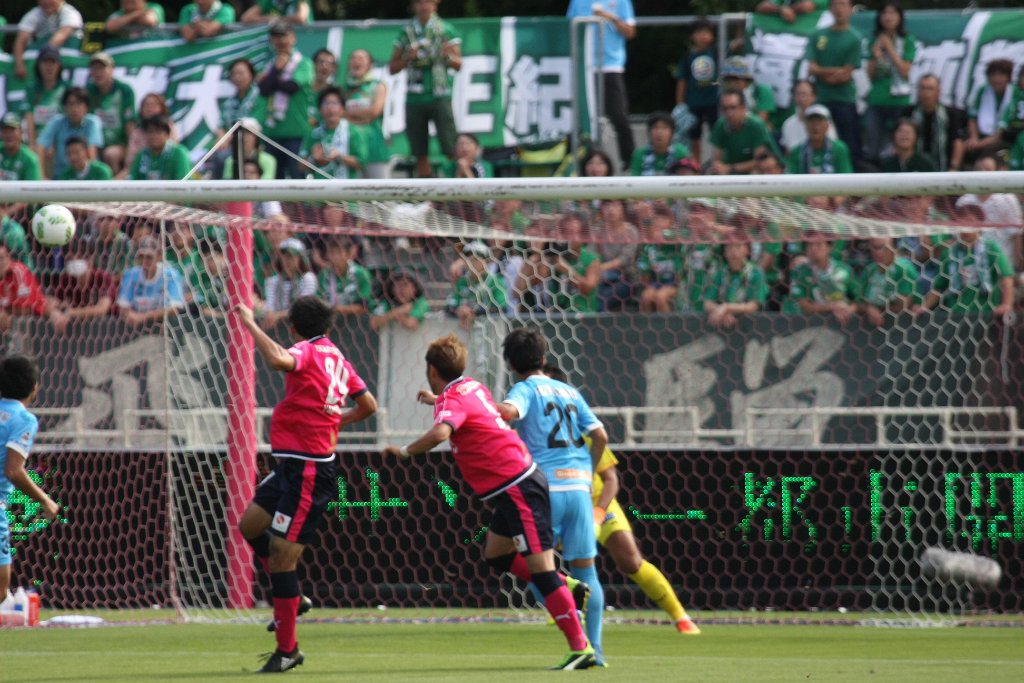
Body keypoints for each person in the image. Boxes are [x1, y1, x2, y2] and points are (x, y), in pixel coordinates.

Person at [383, 334, 597, 670]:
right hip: (514, 487)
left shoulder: (454, 399)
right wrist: (437, 400)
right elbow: (472, 410)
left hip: (519, 487)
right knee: (497, 555)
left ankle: (580, 647)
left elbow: (441, 433)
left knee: (542, 572)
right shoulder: (473, 387)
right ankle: (568, 586)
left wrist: (405, 452)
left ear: (432, 370)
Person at [235, 295, 377, 673]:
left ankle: (288, 651)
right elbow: (368, 405)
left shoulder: (307, 351)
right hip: (291, 466)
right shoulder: (339, 358)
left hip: (309, 470)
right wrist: (337, 420)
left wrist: (249, 323)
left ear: (293, 327)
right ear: (327, 326)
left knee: (282, 555)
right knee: (250, 526)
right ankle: (294, 600)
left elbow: (278, 360)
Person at [543, 362, 701, 635]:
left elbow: (611, 479)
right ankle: (565, 610)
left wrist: (599, 513)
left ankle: (680, 616)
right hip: (561, 503)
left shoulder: (582, 430)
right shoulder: (534, 433)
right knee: (538, 558)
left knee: (630, 561)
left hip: (597, 504)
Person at [494, 328, 609, 664]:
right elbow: (600, 436)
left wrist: (476, 407)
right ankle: (596, 650)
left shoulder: (525, 389)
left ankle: (575, 635)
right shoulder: (570, 391)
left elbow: (508, 412)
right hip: (579, 489)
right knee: (587, 571)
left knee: (538, 570)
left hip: (544, 490)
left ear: (510, 364)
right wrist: (588, 473)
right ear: (544, 358)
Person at [0, 355, 60, 610]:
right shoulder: (24, 419)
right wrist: (45, 500)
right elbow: (13, 471)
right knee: (1, 592)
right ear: (35, 387)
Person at [389, 0, 462, 178]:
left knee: (450, 145)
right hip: (415, 96)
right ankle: (425, 188)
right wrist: (408, 57)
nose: (423, 6)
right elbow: (392, 68)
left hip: (440, 94)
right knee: (419, 150)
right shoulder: (406, 32)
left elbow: (458, 64)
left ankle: (457, 184)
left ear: (435, 4)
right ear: (412, 5)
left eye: (427, 1)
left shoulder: (445, 29)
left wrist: (446, 55)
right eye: (419, 2)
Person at [567, 0, 636, 172]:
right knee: (582, 118)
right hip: (584, 66)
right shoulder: (577, 2)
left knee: (618, 115)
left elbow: (630, 32)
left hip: (610, 65)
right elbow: (567, 29)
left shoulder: (621, 2)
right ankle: (582, 164)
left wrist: (609, 17)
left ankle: (630, 162)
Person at [805, 0, 864, 166]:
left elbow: (846, 74)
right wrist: (834, 71)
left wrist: (822, 71)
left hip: (844, 99)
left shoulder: (854, 38)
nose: (839, 9)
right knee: (817, 141)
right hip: (820, 98)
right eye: (835, 4)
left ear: (850, 9)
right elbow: (812, 68)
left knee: (849, 145)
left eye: (843, 4)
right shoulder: (817, 35)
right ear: (830, 8)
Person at [258, 20, 314, 180]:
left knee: (297, 177)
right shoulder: (269, 64)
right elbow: (263, 90)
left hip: (297, 132)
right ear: (271, 40)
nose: (281, 40)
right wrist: (276, 70)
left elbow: (292, 87)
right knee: (273, 180)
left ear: (293, 37)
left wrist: (272, 77)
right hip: (271, 132)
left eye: (284, 35)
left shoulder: (304, 63)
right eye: (276, 36)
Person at [864, 1, 915, 165]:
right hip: (877, 99)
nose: (888, 17)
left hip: (899, 100)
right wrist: (876, 56)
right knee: (873, 145)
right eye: (884, 13)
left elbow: (904, 70)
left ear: (900, 17)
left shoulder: (907, 40)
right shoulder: (874, 40)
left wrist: (889, 47)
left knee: (898, 146)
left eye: (892, 13)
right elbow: (871, 75)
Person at [920, 229, 1014, 317]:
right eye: (963, 226)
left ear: (979, 228)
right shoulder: (949, 253)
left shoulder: (990, 247)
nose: (966, 231)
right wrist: (923, 307)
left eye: (970, 227)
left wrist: (1006, 304)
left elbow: (1006, 277)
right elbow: (939, 288)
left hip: (987, 313)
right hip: (956, 315)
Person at [46, 238, 117, 334]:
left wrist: (71, 312)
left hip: (104, 331)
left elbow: (102, 309)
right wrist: (56, 310)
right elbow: (51, 300)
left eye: (79, 257)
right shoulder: (67, 279)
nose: (74, 261)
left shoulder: (102, 278)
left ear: (90, 260)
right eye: (71, 258)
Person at [116, 236, 186, 327]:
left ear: (159, 256)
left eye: (149, 257)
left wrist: (144, 317)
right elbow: (123, 306)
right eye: (141, 257)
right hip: (135, 326)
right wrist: (131, 315)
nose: (144, 261)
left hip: (164, 326)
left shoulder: (170, 275)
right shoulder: (131, 275)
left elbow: (175, 308)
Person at [674, 18, 718, 162]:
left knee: (716, 134)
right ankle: (696, 166)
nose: (702, 36)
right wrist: (680, 104)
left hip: (713, 101)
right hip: (693, 102)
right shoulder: (688, 56)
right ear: (692, 36)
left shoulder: (716, 52)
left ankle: (717, 162)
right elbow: (682, 80)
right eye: (698, 32)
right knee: (694, 136)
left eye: (706, 32)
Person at [342, 49, 390, 179]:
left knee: (381, 190)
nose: (356, 62)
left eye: (361, 58)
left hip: (375, 149)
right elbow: (339, 114)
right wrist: (363, 116)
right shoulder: (342, 89)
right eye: (353, 58)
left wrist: (348, 115)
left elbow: (374, 112)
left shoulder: (378, 86)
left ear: (370, 65)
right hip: (351, 151)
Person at [788, 234, 856, 325]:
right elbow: (805, 306)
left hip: (842, 322)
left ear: (829, 247)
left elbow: (859, 299)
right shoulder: (799, 272)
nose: (814, 248)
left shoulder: (844, 269)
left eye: (819, 244)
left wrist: (848, 310)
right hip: (810, 323)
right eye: (810, 245)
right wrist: (832, 307)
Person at [86, 52, 135, 175]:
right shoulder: (89, 90)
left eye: (102, 68)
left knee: (111, 154)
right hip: (95, 145)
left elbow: (130, 124)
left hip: (119, 145)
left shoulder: (124, 90)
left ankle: (116, 185)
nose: (98, 72)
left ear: (112, 69)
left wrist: (131, 152)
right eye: (94, 68)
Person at [38, 87, 104, 179]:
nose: (74, 108)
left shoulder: (93, 122)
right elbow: (40, 147)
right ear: (64, 107)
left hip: (86, 177)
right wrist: (41, 178)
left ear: (86, 107)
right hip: (61, 177)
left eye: (79, 104)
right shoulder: (57, 122)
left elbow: (91, 152)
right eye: (70, 104)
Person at [905, 74, 967, 172]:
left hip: (944, 167)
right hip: (914, 169)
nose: (926, 93)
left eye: (930, 89)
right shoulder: (909, 113)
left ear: (938, 92)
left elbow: (957, 141)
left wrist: (953, 168)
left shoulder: (951, 114)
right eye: (922, 88)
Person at [302, 87, 367, 179]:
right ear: (320, 109)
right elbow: (300, 167)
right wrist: (313, 158)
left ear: (343, 109)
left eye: (335, 103)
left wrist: (339, 157)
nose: (330, 108)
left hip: (345, 186)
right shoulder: (313, 133)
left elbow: (361, 163)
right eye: (326, 103)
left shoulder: (353, 132)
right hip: (320, 186)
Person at [0, 243, 67, 332]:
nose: (1, 263)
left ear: (9, 258)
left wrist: (5, 311)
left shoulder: (18, 272)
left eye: (2, 258)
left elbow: (27, 308)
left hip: (29, 324)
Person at [703, 239, 768, 329]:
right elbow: (707, 303)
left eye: (738, 246)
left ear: (747, 250)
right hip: (723, 325)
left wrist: (727, 307)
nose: (733, 251)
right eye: (729, 247)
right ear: (724, 252)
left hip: (750, 326)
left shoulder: (756, 273)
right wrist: (721, 311)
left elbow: (753, 306)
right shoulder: (720, 273)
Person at [12, 0, 83, 81]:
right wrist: (19, 65)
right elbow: (20, 40)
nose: (46, 2)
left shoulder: (70, 13)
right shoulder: (34, 14)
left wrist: (43, 58)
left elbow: (61, 36)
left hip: (68, 65)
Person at [709, 91, 777, 175]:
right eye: (725, 108)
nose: (729, 113)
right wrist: (718, 167)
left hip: (761, 170)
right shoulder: (721, 125)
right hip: (732, 170)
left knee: (757, 172)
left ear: (743, 108)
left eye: (733, 107)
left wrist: (730, 168)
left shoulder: (756, 125)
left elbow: (760, 161)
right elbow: (717, 157)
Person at [854, 237, 918, 327]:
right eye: (875, 248)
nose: (878, 252)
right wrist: (868, 308)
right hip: (870, 326)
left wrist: (877, 311)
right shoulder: (869, 270)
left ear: (894, 248)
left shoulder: (903, 270)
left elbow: (902, 307)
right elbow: (858, 303)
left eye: (884, 248)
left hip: (899, 326)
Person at [445, 241, 508, 329]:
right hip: (466, 329)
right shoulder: (462, 282)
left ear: (487, 261)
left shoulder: (496, 281)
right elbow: (450, 306)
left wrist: (474, 312)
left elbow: (502, 307)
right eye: (469, 260)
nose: (472, 263)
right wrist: (459, 311)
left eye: (476, 259)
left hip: (491, 329)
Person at [21, 45, 69, 159]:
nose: (49, 67)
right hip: (38, 138)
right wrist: (32, 144)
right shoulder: (32, 89)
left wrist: (55, 144)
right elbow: (29, 117)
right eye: (45, 62)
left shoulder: (67, 88)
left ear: (59, 65)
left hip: (61, 139)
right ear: (38, 65)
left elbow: (68, 118)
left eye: (53, 62)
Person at [263, 238, 317, 329]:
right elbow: (270, 306)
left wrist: (278, 315)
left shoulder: (308, 278)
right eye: (284, 256)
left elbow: (303, 308)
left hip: (302, 326)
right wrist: (270, 313)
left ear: (300, 259)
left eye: (291, 256)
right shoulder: (272, 281)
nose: (286, 260)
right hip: (279, 327)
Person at [966, 59, 1015, 159]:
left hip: (1005, 140)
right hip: (982, 137)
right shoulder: (982, 91)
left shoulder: (1015, 93)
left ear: (1008, 77)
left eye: (1001, 75)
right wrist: (974, 138)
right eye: (993, 75)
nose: (996, 79)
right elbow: (972, 117)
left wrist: (979, 144)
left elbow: (1001, 131)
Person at [786, 104, 853, 175]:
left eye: (820, 121)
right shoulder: (797, 152)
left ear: (828, 125)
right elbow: (791, 177)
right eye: (811, 121)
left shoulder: (839, 149)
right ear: (805, 125)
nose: (815, 126)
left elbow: (845, 176)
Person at [125, 93, 180, 178]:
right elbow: (130, 163)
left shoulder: (177, 152)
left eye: (153, 105)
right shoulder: (137, 135)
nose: (149, 108)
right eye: (146, 105)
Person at [317, 236, 372, 316]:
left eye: (339, 253)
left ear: (348, 254)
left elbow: (363, 307)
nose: (335, 257)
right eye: (331, 253)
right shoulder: (324, 274)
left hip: (355, 319)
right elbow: (318, 300)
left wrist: (333, 308)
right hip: (329, 318)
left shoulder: (361, 274)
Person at [779, 80, 836, 154]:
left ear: (814, 97)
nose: (801, 98)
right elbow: (788, 152)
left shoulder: (823, 120)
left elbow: (832, 146)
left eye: (804, 94)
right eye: (798, 94)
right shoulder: (788, 124)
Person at [720, 55, 776, 130]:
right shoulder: (727, 98)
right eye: (728, 79)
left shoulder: (762, 91)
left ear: (746, 79)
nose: (732, 83)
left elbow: (759, 123)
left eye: (735, 78)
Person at [128, 115, 191, 181]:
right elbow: (132, 179)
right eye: (150, 131)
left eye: (158, 131)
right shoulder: (142, 154)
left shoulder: (178, 153)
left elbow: (184, 181)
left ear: (167, 134)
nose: (153, 135)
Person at [630, 112, 689, 176]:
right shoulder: (639, 154)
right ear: (649, 132)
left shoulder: (681, 152)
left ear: (672, 132)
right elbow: (635, 178)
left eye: (664, 128)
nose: (659, 132)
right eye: (655, 127)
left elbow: (687, 177)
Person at [241, 0, 312, 25]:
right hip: (275, 40)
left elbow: (300, 18)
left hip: (303, 37)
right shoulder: (267, 1)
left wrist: (276, 19)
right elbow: (246, 18)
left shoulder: (299, 1)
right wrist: (267, 19)